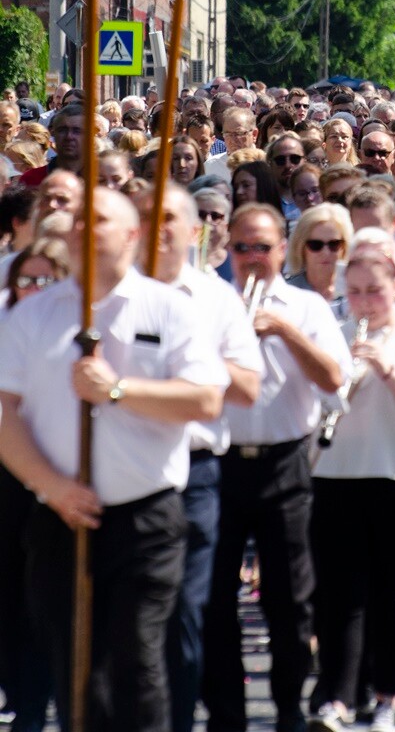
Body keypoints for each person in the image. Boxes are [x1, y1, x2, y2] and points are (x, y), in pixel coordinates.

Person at [0, 187, 226, 732]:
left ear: (131, 236)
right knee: (77, 666)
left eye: (97, 220)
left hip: (144, 517)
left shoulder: (170, 308)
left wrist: (119, 389)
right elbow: (4, 413)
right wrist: (51, 486)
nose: (79, 228)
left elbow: (205, 399)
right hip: (61, 516)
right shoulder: (35, 315)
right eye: (76, 219)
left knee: (136, 660)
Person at [202, 202, 351, 732]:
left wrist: (285, 331)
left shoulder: (306, 306)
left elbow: (336, 379)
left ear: (281, 248)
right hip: (220, 466)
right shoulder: (211, 302)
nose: (251, 258)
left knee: (290, 599)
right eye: (240, 247)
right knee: (215, 599)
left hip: (284, 463)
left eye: (261, 247)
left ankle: (289, 707)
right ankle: (227, 714)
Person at [132, 183, 262, 732]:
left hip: (195, 473)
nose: (158, 230)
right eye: (147, 218)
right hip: (122, 469)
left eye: (170, 219)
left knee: (187, 613)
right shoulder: (107, 292)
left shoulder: (213, 298)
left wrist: (192, 353)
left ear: (195, 232)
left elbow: (247, 386)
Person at [310, 235, 395, 732]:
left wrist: (386, 369)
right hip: (336, 473)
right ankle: (338, 698)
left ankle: (386, 698)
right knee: (340, 594)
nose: (366, 301)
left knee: (392, 592)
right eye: (357, 292)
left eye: (375, 290)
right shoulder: (336, 329)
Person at [0, 237, 70, 731]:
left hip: (61, 470)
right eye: (27, 279)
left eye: (47, 280)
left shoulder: (75, 327)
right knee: (9, 593)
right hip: (7, 471)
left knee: (50, 594)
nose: (35, 289)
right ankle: (22, 702)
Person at [285, 202, 353, 310]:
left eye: (334, 244)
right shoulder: (287, 294)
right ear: (301, 248)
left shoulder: (357, 290)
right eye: (315, 245)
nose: (325, 252)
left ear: (344, 246)